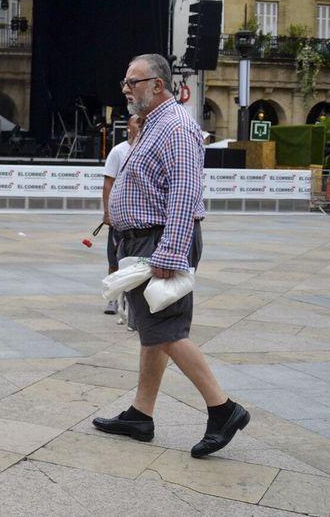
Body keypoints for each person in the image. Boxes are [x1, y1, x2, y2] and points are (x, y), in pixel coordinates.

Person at [94, 54, 249, 459]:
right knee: (153, 328)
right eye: (125, 81)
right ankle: (140, 415)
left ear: (157, 85)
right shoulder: (152, 126)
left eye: (133, 81)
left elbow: (184, 191)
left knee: (167, 329)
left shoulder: (177, 127)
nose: (126, 88)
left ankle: (223, 408)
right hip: (144, 241)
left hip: (160, 241)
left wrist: (172, 251)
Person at [101, 114, 142, 317]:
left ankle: (130, 302)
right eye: (137, 121)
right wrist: (107, 212)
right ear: (128, 127)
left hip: (139, 218)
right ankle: (111, 298)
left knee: (134, 262)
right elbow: (108, 183)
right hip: (119, 218)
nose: (140, 125)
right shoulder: (118, 151)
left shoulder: (147, 149)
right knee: (114, 260)